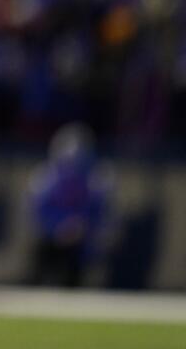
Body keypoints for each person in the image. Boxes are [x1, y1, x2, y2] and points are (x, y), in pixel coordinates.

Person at [29, 123, 112, 287]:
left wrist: (80, 226)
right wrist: (59, 226)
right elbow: (38, 209)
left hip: (82, 241)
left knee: (76, 277)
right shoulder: (46, 176)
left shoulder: (96, 178)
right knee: (41, 263)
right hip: (52, 238)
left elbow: (100, 211)